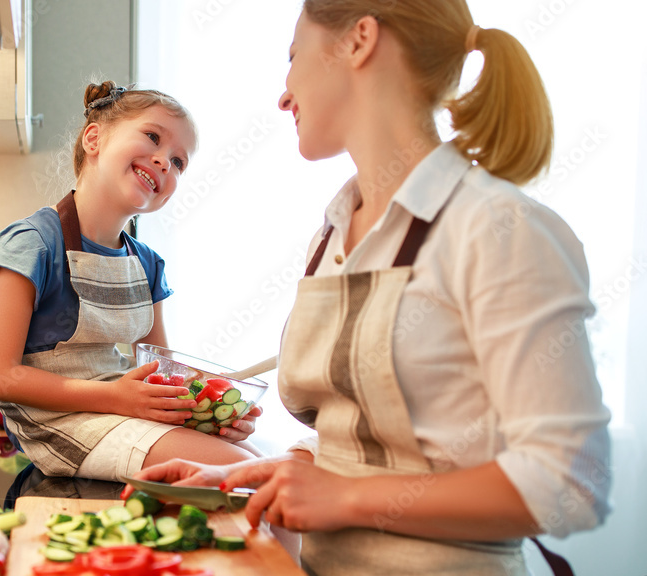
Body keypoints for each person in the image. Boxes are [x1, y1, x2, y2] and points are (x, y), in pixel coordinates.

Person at [126, 2, 612, 574]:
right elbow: (365, 438)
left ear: (359, 41)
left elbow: (572, 483)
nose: (284, 95)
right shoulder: (331, 233)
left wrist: (343, 497)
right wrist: (247, 474)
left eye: (293, 57)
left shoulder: (499, 228)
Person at [0, 81, 261, 483]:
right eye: (153, 137)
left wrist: (213, 414)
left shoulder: (148, 265)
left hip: (117, 407)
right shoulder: (32, 246)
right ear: (94, 138)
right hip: (61, 425)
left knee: (255, 457)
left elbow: (161, 369)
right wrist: (117, 397)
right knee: (251, 472)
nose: (163, 162)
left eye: (179, 162)